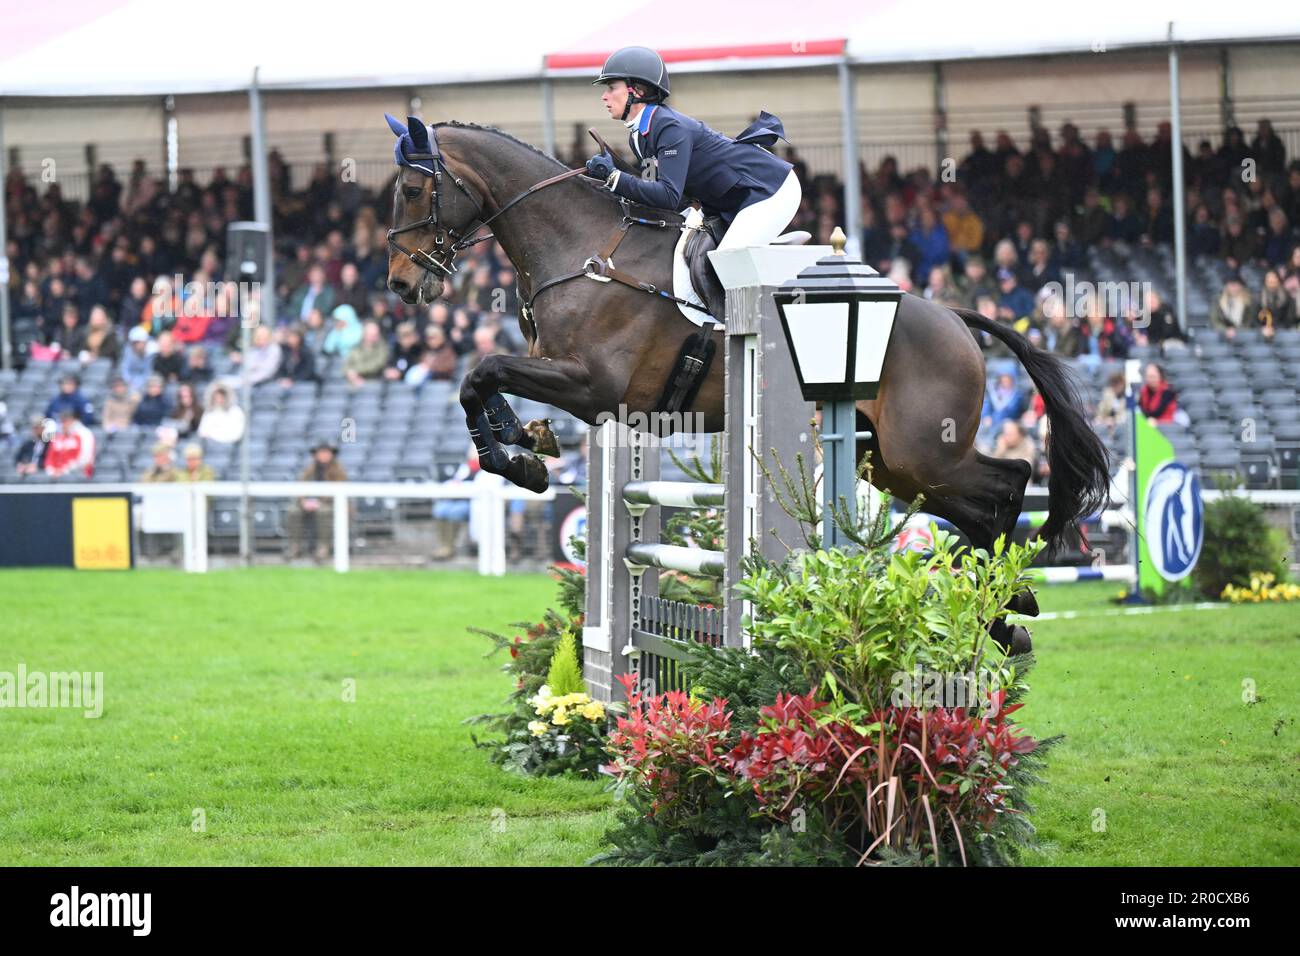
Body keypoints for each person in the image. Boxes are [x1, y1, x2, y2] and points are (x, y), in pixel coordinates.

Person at [583, 46, 801, 250]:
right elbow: (652, 191)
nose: (604, 96)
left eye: (612, 88)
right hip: (733, 201)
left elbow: (668, 195)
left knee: (728, 260)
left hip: (768, 188)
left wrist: (615, 178)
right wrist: (610, 181)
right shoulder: (639, 136)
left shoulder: (668, 127)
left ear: (637, 91)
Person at [286, 438, 349, 562]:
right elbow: (301, 488)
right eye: (321, 452)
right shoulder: (309, 470)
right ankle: (294, 547)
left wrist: (319, 501)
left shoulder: (339, 471)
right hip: (309, 503)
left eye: (326, 452)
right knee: (293, 511)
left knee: (323, 512)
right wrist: (304, 501)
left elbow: (340, 490)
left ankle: (323, 547)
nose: (323, 455)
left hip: (331, 504)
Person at [44, 408, 96, 478]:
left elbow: (85, 458)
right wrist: (52, 471)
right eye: (61, 421)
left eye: (65, 421)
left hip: (79, 477)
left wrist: (65, 470)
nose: (62, 424)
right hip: (57, 477)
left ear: (73, 420)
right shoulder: (59, 436)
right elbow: (50, 458)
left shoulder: (84, 434)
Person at [343, 319, 389, 385]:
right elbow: (346, 366)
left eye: (375, 334)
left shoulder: (382, 347)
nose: (373, 337)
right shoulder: (356, 347)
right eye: (370, 334)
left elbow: (376, 365)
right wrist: (351, 374)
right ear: (364, 334)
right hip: (355, 382)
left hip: (375, 382)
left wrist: (355, 371)